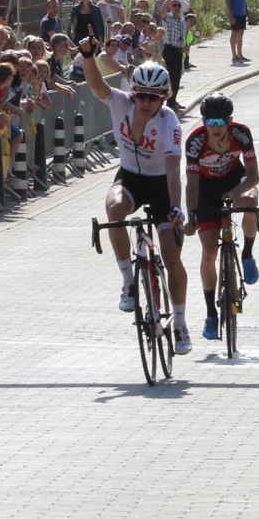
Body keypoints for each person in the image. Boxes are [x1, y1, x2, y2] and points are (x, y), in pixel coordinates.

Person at [79, 40, 192, 355]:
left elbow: (172, 168)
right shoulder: (121, 104)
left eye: (152, 97)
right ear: (133, 92)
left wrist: (176, 208)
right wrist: (88, 56)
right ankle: (129, 280)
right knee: (114, 208)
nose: (144, 102)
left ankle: (180, 322)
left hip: (160, 185)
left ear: (164, 97)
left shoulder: (169, 121)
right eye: (140, 95)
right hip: (129, 177)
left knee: (171, 258)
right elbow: (96, 84)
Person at [184, 92, 259, 341]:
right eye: (210, 122)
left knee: (250, 201)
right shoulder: (195, 141)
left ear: (230, 121)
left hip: (234, 180)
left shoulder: (241, 134)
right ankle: (210, 314)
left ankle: (247, 254)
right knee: (208, 253)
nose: (215, 129)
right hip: (205, 188)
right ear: (203, 122)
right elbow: (192, 184)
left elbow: (253, 176)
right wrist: (192, 214)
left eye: (221, 123)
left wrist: (235, 192)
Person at [159, 0, 187, 111]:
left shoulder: (181, 20)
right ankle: (170, 103)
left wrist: (184, 45)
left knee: (177, 78)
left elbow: (182, 36)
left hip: (178, 50)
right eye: (174, 5)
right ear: (170, 6)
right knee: (172, 77)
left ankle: (173, 100)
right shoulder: (168, 18)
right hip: (169, 49)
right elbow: (162, 11)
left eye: (178, 5)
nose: (176, 7)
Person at [225, 0, 249, 64]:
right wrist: (231, 15)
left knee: (241, 33)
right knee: (234, 33)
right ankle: (234, 55)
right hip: (234, 13)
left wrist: (247, 10)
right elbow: (227, 1)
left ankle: (240, 54)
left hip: (242, 12)